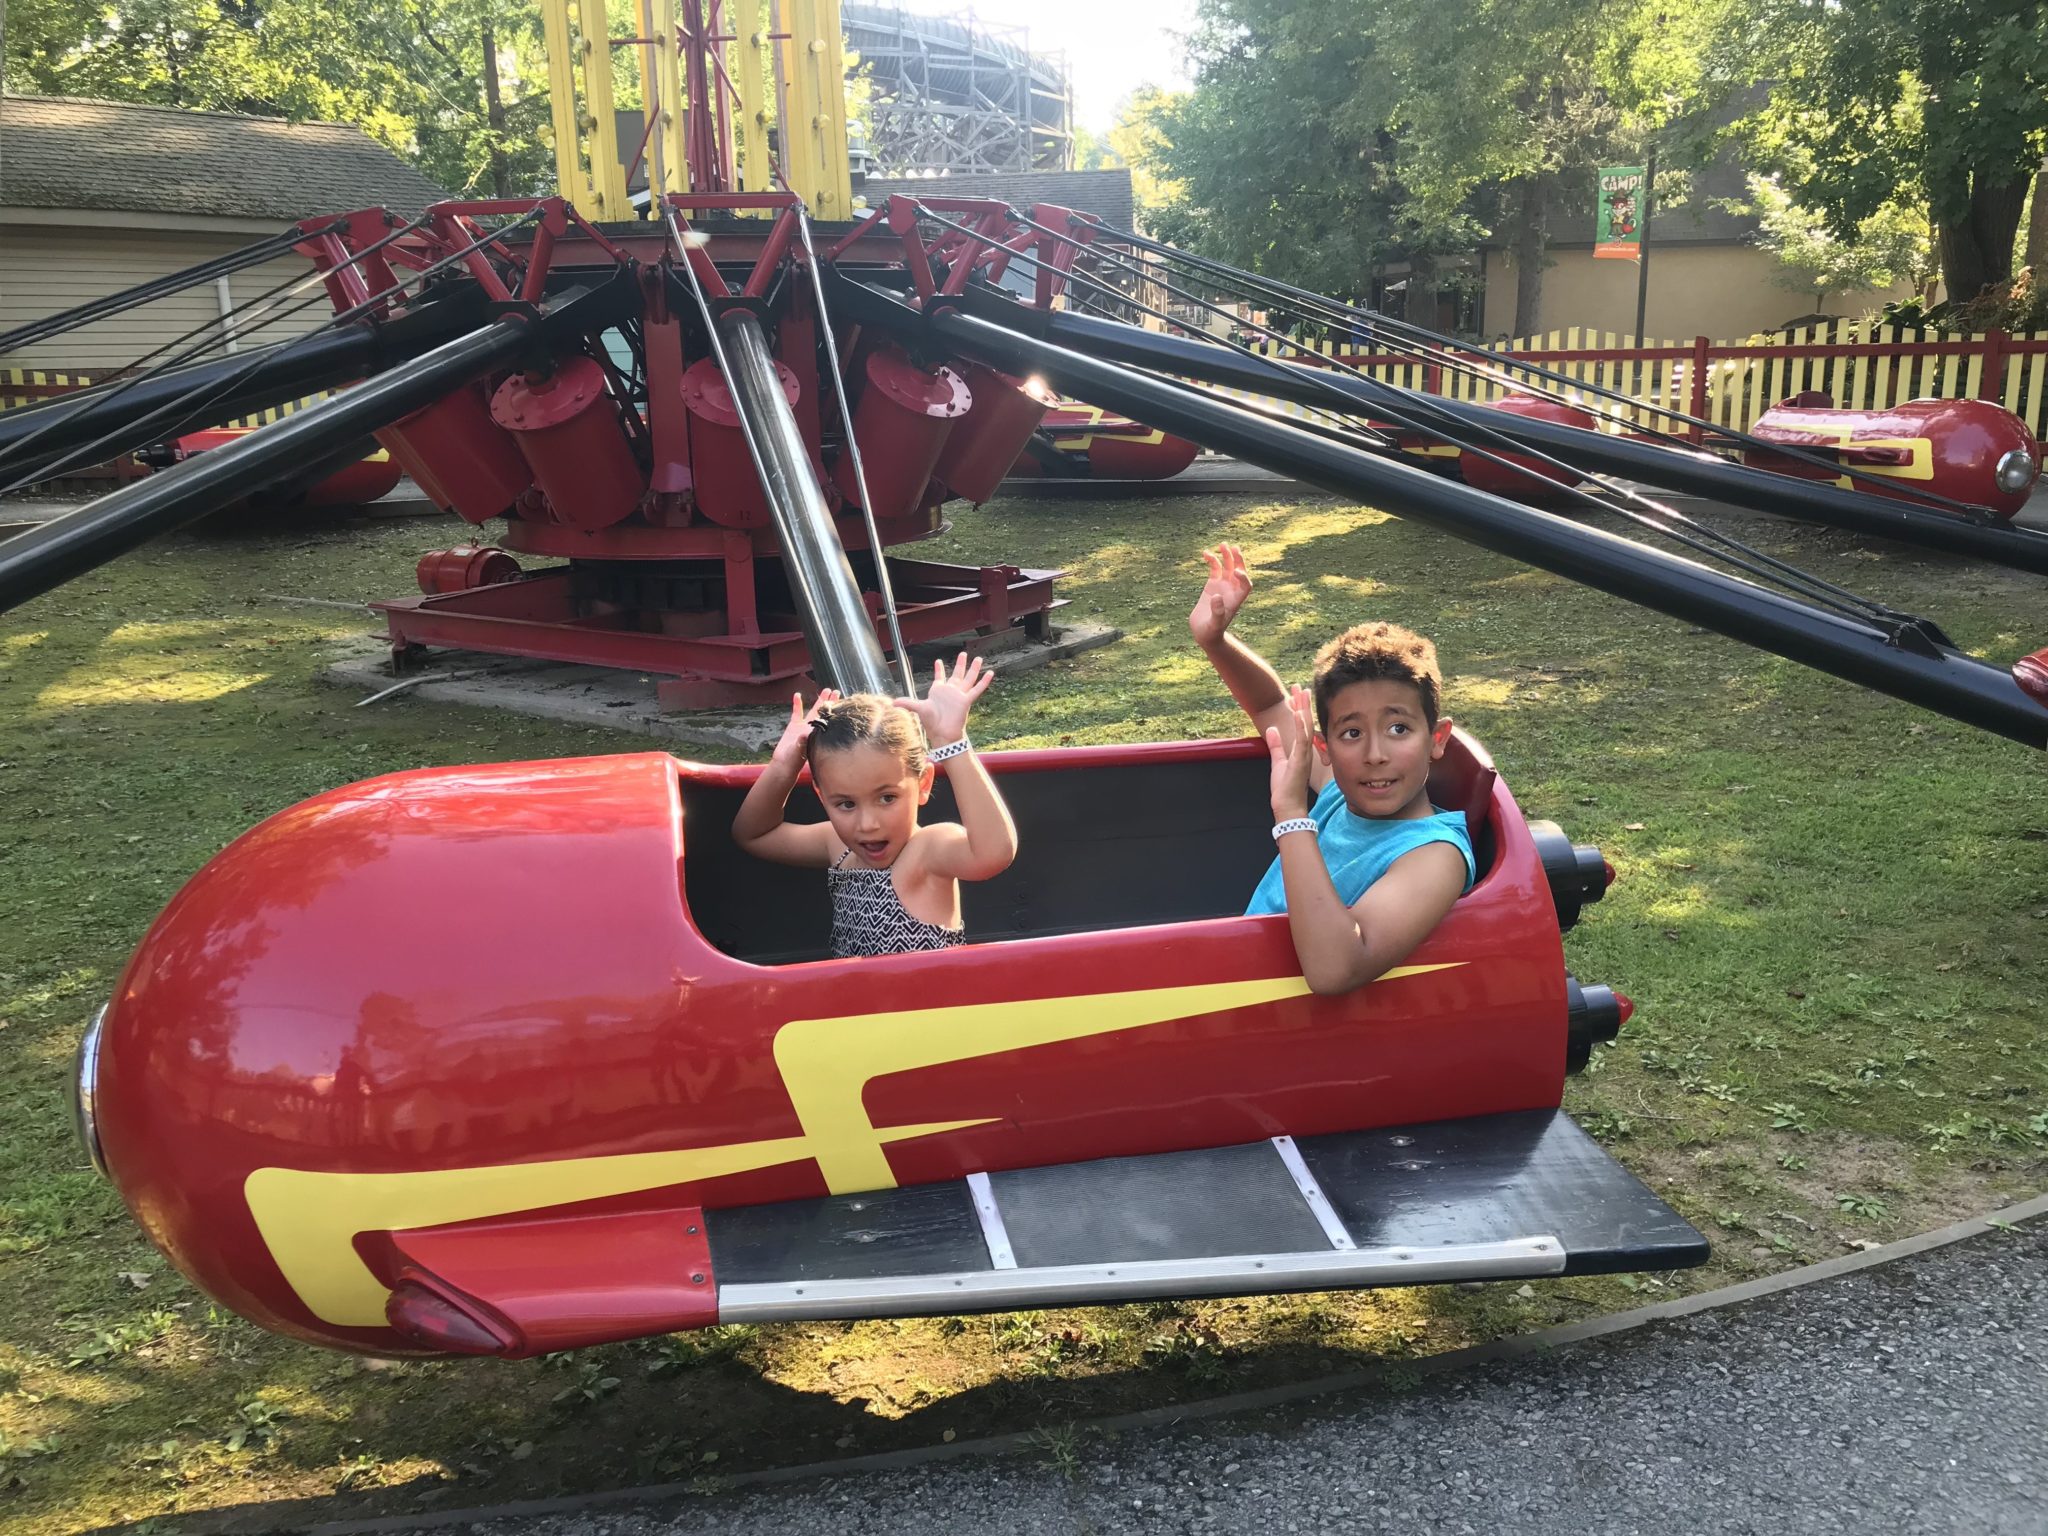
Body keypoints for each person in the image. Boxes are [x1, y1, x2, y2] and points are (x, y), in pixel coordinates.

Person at [1189, 542, 1475, 994]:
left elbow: (1335, 969)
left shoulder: (1434, 856)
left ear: (1436, 739)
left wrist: (1290, 815)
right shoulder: (1343, 792)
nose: (1375, 754)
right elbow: (1268, 706)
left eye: (1398, 728)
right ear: (1323, 747)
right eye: (1352, 733)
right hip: (1239, 984)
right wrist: (1215, 640)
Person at [733, 654, 1018, 958]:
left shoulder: (927, 851)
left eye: (887, 798)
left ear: (922, 784)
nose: (867, 824)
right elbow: (753, 835)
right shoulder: (837, 847)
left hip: (930, 1006)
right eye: (846, 804)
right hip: (859, 1006)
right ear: (821, 795)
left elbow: (994, 853)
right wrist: (782, 767)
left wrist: (952, 742)